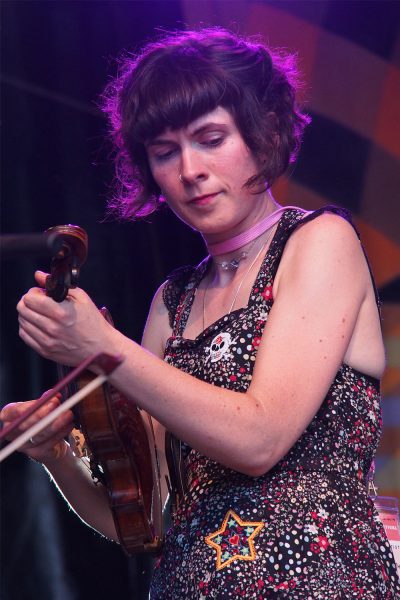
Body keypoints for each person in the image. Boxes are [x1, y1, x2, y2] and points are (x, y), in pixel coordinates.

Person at [2, 28, 399, 598]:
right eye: (165, 153)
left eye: (211, 138)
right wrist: (56, 456)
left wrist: (105, 351)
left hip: (316, 582)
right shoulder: (174, 300)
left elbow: (260, 439)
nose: (190, 169)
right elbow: (149, 520)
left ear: (261, 136)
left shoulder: (319, 241)